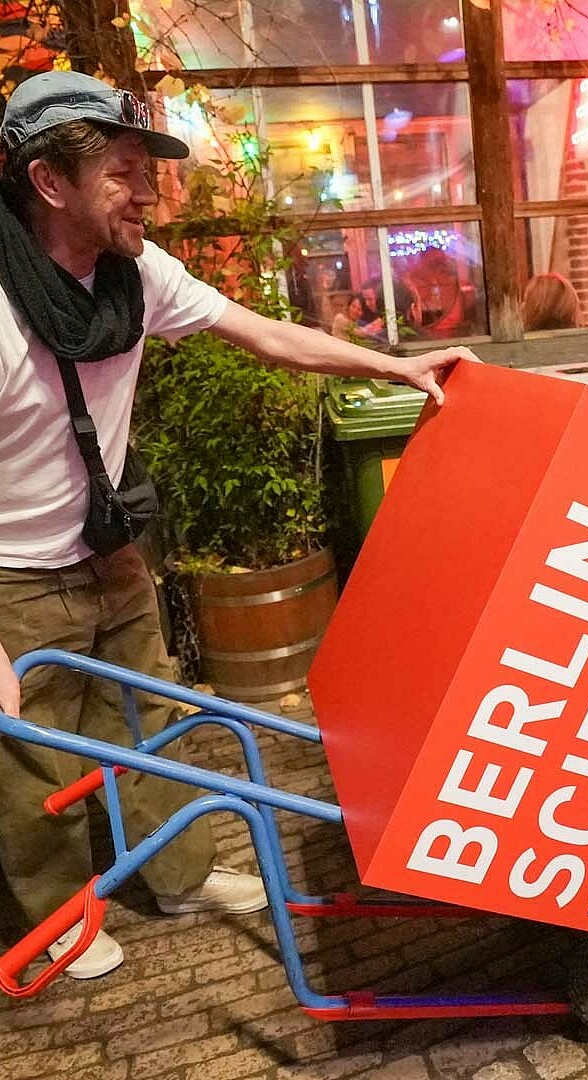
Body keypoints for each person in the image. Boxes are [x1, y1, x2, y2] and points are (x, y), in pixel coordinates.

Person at [0, 71, 479, 980]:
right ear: (49, 183)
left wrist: (394, 367)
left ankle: (178, 874)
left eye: (149, 169)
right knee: (31, 768)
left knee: (147, 720)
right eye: (123, 171)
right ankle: (57, 916)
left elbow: (265, 333)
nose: (149, 194)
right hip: (12, 574)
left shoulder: (134, 273)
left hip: (107, 550)